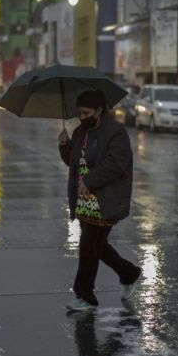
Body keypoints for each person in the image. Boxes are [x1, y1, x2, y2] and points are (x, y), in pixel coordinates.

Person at [58, 89, 141, 312]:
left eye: (86, 113)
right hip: (84, 200)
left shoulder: (115, 133)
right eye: (80, 114)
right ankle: (129, 273)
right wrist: (65, 146)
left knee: (88, 248)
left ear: (99, 111)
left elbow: (116, 164)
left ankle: (85, 295)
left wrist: (91, 181)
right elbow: (73, 163)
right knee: (97, 246)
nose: (82, 117)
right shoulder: (79, 132)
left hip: (106, 199)